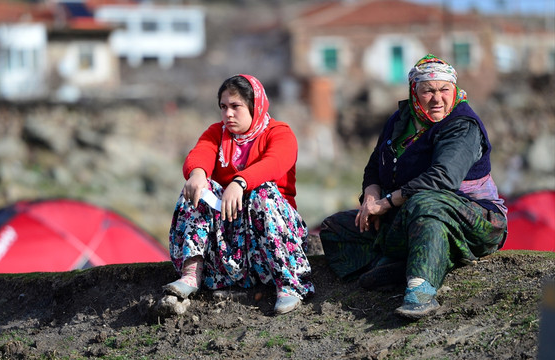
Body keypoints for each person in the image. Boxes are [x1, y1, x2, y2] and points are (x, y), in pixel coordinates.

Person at [319, 54, 508, 319]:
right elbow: (376, 164)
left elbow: (443, 178)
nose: (437, 98)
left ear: (454, 90)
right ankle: (397, 265)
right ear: (414, 92)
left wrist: (386, 203)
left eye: (444, 89)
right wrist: (371, 196)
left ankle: (421, 291)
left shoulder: (462, 125)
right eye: (427, 90)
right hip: (407, 216)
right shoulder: (401, 120)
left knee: (425, 203)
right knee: (334, 228)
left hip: (472, 220)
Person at [163, 74, 314, 314]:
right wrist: (198, 173)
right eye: (223, 107)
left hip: (273, 232)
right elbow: (200, 153)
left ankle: (288, 284)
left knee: (261, 192)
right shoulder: (217, 133)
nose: (228, 114)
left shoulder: (280, 133)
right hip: (231, 234)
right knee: (198, 188)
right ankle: (192, 272)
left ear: (254, 106)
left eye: (236, 106)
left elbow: (274, 163)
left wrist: (240, 182)